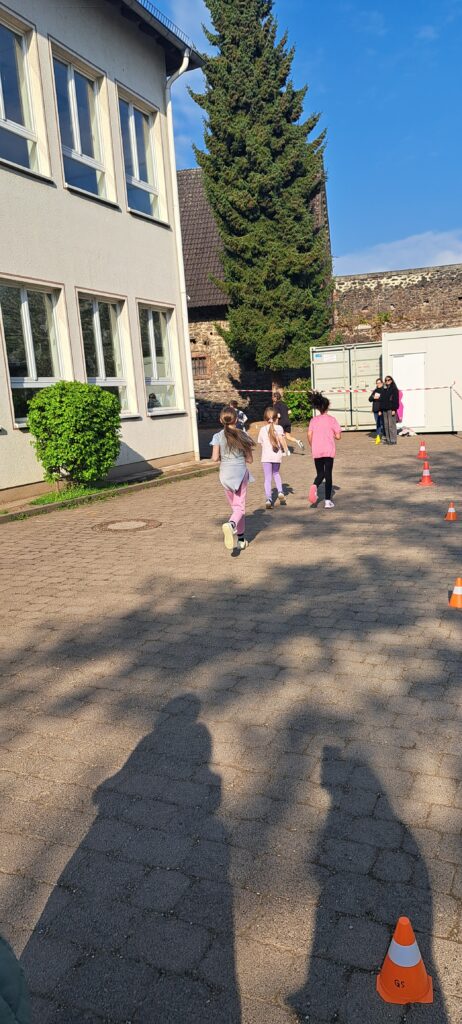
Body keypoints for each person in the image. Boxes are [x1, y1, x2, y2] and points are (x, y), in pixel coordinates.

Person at [211, 405, 255, 552]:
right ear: (236, 420)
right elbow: (250, 460)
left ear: (220, 420)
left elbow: (214, 458)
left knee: (236, 508)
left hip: (225, 476)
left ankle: (241, 540)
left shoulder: (217, 436)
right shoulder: (243, 435)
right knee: (240, 508)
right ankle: (231, 525)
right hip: (240, 474)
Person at [307, 391, 341, 509]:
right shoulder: (332, 419)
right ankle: (327, 501)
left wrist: (312, 445)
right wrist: (333, 435)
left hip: (317, 450)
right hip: (328, 450)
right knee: (328, 474)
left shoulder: (313, 420)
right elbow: (338, 436)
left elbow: (309, 435)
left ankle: (314, 485)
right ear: (327, 407)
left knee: (320, 473)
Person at [257, 406, 289, 509]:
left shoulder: (262, 429)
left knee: (267, 478)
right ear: (276, 418)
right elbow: (282, 440)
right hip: (276, 456)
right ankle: (280, 491)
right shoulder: (279, 428)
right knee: (276, 473)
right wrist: (285, 450)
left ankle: (268, 499)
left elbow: (261, 443)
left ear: (265, 418)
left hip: (266, 457)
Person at [379, 374, 400, 444]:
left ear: (391, 381)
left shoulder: (394, 389)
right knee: (386, 425)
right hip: (384, 409)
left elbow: (396, 400)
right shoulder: (384, 389)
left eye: (388, 380)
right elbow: (381, 400)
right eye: (386, 380)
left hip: (391, 409)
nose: (387, 381)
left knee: (391, 425)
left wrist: (394, 409)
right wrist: (380, 409)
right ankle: (388, 440)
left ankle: (393, 440)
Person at [368, 377, 385, 443]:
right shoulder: (375, 390)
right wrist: (373, 397)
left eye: (379, 383)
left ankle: (384, 436)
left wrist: (379, 398)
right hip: (375, 410)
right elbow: (369, 399)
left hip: (381, 410)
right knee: (378, 424)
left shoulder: (384, 390)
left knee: (382, 423)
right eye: (377, 383)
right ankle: (378, 436)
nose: (378, 384)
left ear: (382, 383)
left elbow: (384, 400)